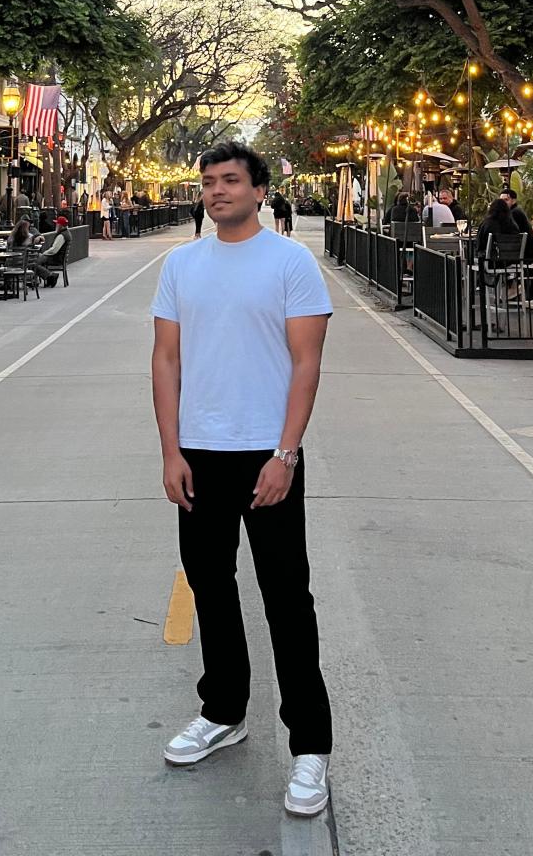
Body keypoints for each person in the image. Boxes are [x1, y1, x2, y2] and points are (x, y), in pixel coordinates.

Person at [151, 142, 334, 818]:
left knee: (288, 597)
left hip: (267, 455)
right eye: (208, 182)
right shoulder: (180, 265)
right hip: (199, 454)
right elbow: (165, 361)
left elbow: (306, 363)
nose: (216, 191)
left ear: (261, 191)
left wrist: (285, 455)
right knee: (210, 585)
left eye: (230, 180)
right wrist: (171, 452)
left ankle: (310, 747)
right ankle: (223, 710)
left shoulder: (291, 262)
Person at [498, 188, 533, 259]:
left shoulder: (514, 213)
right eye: (501, 201)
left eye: (506, 200)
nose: (502, 203)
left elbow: (509, 234)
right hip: (524, 253)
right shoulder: (515, 211)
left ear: (513, 201)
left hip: (524, 256)